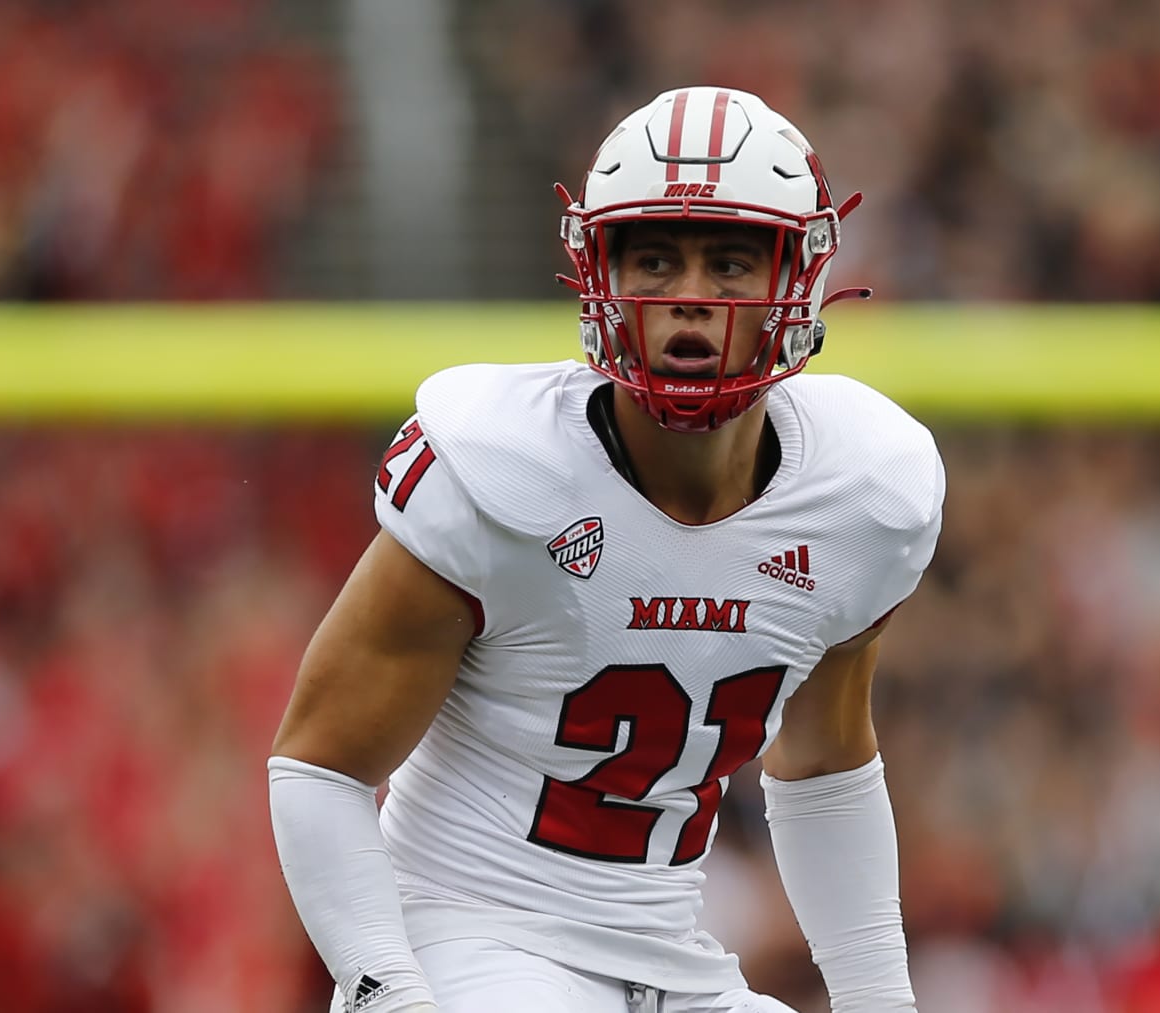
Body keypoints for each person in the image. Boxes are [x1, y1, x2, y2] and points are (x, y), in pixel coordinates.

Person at [269, 86, 943, 1013]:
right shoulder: (501, 469)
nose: (690, 301)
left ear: (799, 279)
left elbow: (824, 765)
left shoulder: (858, 490)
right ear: (598, 272)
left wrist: (879, 998)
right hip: (472, 937)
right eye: (656, 260)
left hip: (671, 954)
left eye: (731, 263)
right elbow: (319, 765)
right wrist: (389, 988)